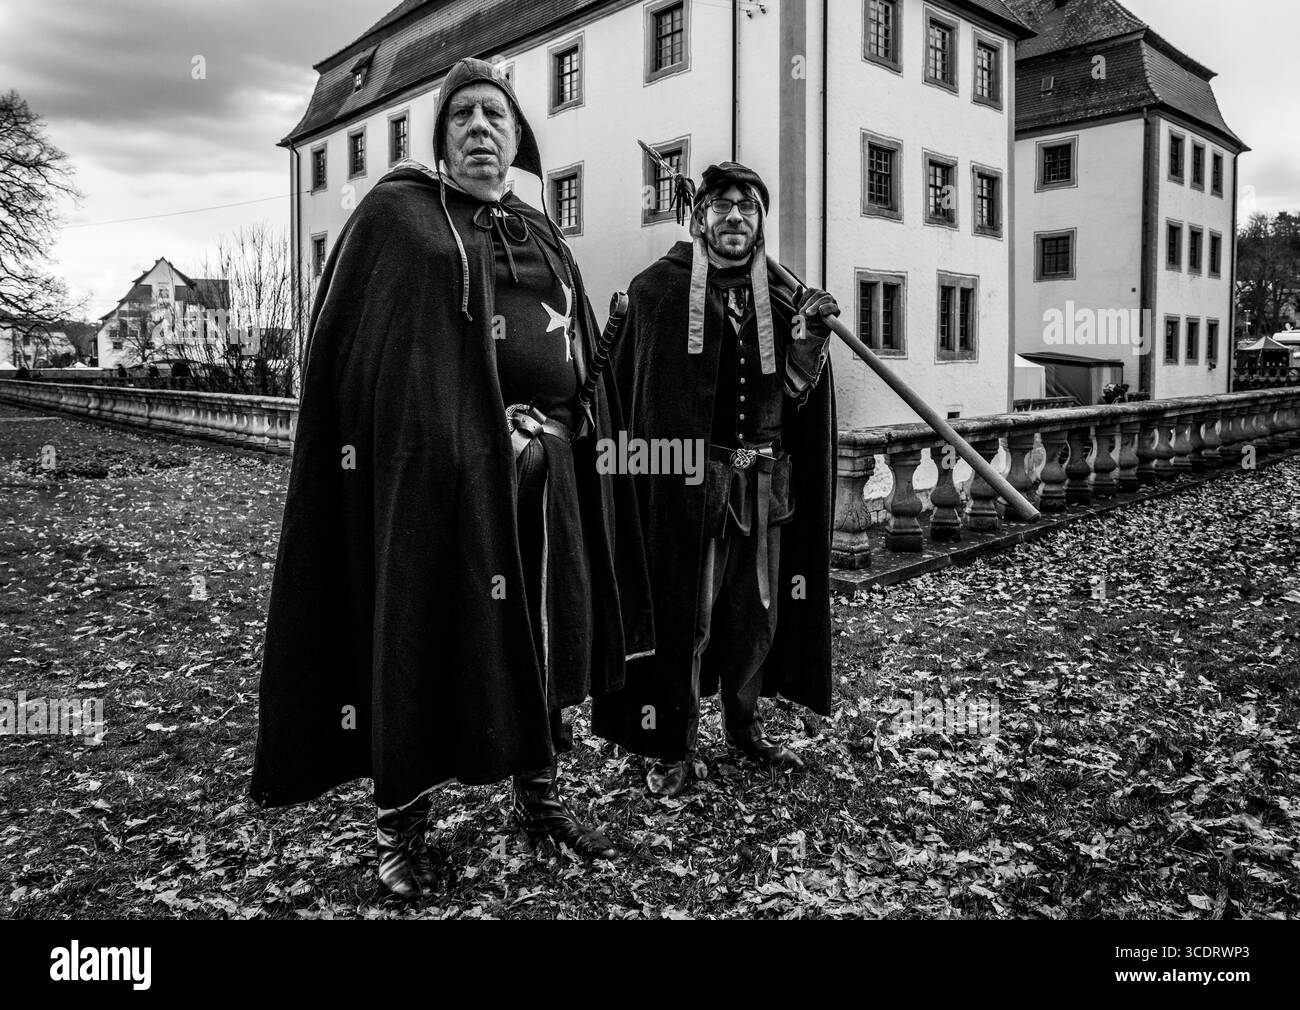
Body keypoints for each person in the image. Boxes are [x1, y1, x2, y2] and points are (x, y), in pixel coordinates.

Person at [251, 58, 654, 899]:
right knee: (423, 638)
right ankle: (401, 828)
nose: (480, 127)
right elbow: (370, 366)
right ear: (440, 137)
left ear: (517, 136)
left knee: (538, 641)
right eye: (463, 115)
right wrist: (472, 430)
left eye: (495, 116)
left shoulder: (539, 229)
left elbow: (574, 352)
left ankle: (538, 797)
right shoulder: (397, 220)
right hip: (436, 490)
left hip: (547, 480)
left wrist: (571, 419)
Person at [592, 162, 837, 798]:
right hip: (686, 494)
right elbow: (629, 399)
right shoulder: (656, 292)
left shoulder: (782, 302)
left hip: (762, 491)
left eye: (748, 208)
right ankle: (673, 743)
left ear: (760, 223)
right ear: (699, 217)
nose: (735, 217)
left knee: (754, 619)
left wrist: (807, 345)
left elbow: (790, 400)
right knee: (687, 621)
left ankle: (744, 726)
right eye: (722, 206)